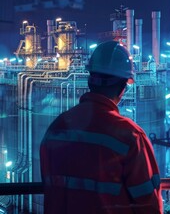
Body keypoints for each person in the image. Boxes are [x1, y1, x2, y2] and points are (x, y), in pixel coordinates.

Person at [40, 41, 163, 214]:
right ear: (123, 87)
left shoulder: (56, 128)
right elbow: (148, 204)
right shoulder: (130, 136)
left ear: (90, 81)